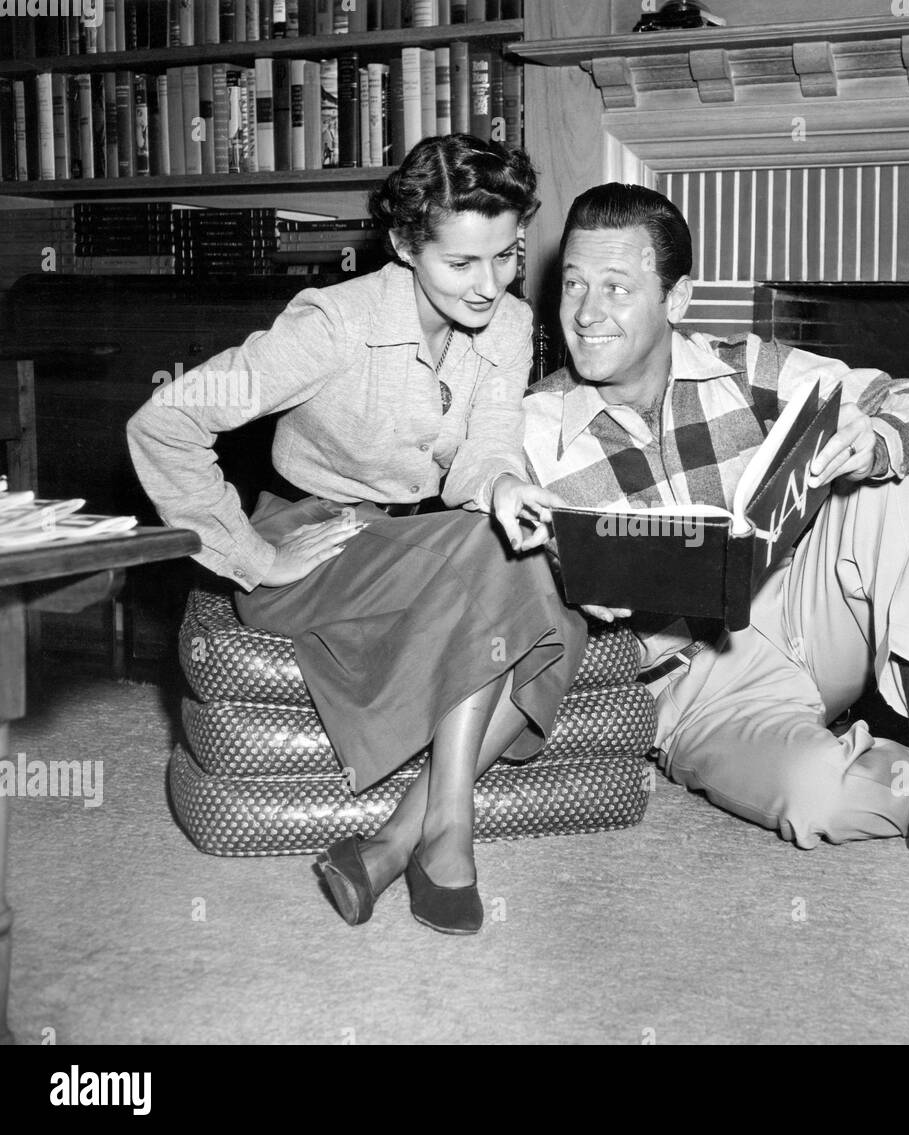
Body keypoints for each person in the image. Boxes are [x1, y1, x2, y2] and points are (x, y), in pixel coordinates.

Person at [522, 184, 909, 898]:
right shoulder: (530, 433)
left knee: (899, 470)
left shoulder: (748, 371)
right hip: (696, 690)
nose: (586, 314)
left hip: (801, 609)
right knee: (819, 799)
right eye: (572, 285)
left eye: (616, 288)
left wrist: (878, 442)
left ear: (677, 299)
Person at [128, 135, 586, 934]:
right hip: (317, 543)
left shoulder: (510, 325)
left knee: (559, 608)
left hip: (420, 544)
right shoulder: (330, 327)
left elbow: (488, 441)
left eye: (507, 256)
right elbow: (164, 421)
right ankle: (445, 836)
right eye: (462, 264)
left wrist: (505, 481)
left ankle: (396, 838)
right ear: (406, 245)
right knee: (498, 557)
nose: (490, 286)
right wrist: (251, 555)